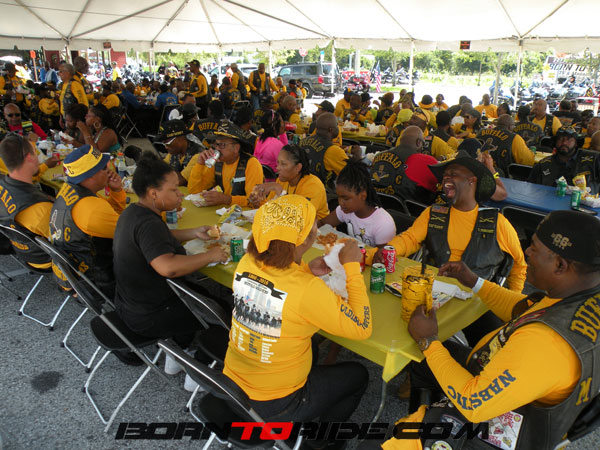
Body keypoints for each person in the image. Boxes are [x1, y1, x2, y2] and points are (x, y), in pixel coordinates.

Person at [383, 209, 600, 450]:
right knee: (422, 362)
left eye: (534, 248)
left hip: (504, 423)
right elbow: (523, 308)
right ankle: (428, 414)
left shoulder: (547, 343)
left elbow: (472, 404)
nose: (527, 252)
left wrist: (428, 341)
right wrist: (474, 281)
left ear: (559, 265)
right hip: (512, 381)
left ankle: (426, 431)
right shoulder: (582, 296)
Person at [223, 195, 371, 449]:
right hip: (273, 404)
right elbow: (361, 327)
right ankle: (322, 443)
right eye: (313, 227)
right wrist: (352, 268)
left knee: (309, 345)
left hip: (230, 387)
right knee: (358, 374)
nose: (316, 231)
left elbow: (281, 290)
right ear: (304, 239)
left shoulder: (247, 262)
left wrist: (306, 271)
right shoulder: (306, 289)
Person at [370, 151, 527, 346]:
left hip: (476, 301)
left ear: (472, 181)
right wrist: (388, 250)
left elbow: (519, 266)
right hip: (433, 293)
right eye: (444, 175)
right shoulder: (434, 213)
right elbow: (410, 239)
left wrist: (514, 302)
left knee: (491, 349)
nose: (446, 178)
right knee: (397, 327)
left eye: (453, 173)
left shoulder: (498, 224)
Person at [113, 153, 228, 389]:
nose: (180, 194)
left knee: (202, 294)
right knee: (223, 312)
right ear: (153, 193)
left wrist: (192, 232)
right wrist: (211, 255)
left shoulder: (134, 212)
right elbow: (168, 268)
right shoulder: (149, 224)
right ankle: (198, 373)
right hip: (150, 314)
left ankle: (176, 356)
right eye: (174, 190)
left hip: (129, 304)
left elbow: (159, 238)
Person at [49, 145, 126, 299]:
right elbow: (132, 234)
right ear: (89, 176)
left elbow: (111, 215)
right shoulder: (92, 208)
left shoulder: (69, 189)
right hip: (92, 282)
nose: (110, 170)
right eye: (104, 168)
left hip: (68, 273)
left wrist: (117, 191)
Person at [0, 134, 55, 269]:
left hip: (22, 249)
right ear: (29, 157)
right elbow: (69, 239)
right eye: (35, 152)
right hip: (47, 259)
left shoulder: (3, 184)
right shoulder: (40, 209)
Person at [320, 160, 396, 247]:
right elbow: (322, 224)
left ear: (363, 195)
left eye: (346, 198)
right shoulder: (344, 210)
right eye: (339, 197)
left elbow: (383, 253)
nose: (340, 202)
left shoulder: (383, 224)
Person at [187, 120, 263, 206]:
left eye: (222, 145)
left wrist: (227, 199)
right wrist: (200, 164)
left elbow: (255, 201)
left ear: (236, 148)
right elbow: (194, 191)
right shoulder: (217, 162)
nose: (217, 149)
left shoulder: (251, 164)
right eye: (216, 144)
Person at [249, 144, 329, 219]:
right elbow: (269, 207)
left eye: (283, 164)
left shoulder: (313, 185)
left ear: (298, 168)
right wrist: (257, 203)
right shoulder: (282, 180)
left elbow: (299, 217)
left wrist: (278, 190)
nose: (277, 168)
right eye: (278, 163)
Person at [528, 125, 600, 194]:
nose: (564, 143)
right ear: (555, 142)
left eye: (569, 139)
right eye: (560, 139)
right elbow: (531, 189)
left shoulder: (593, 160)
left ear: (576, 143)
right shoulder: (543, 165)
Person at [299, 112, 348, 189]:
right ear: (331, 130)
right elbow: (353, 175)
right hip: (320, 191)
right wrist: (357, 155)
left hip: (299, 187)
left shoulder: (302, 142)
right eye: (336, 125)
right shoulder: (332, 150)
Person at [155, 120, 203, 186]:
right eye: (163, 143)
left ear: (181, 138)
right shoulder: (174, 152)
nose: (166, 147)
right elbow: (160, 167)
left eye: (167, 142)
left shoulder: (198, 155)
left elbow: (180, 181)